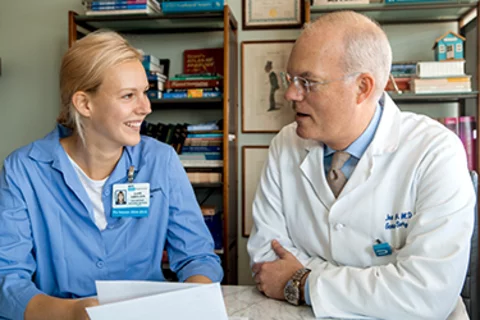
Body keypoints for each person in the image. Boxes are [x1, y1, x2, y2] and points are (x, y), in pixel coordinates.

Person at [247, 11, 475, 320]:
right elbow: (267, 262)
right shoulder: (285, 145)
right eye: (291, 80)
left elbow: (426, 294)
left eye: (308, 82)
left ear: (363, 88)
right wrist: (382, 280)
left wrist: (302, 280)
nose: (291, 94)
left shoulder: (436, 152)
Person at [0, 31, 223, 320]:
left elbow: (197, 258)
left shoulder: (161, 161)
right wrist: (71, 313)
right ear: (84, 104)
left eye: (144, 92)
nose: (146, 107)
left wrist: (194, 302)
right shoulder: (23, 171)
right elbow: (7, 280)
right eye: (128, 95)